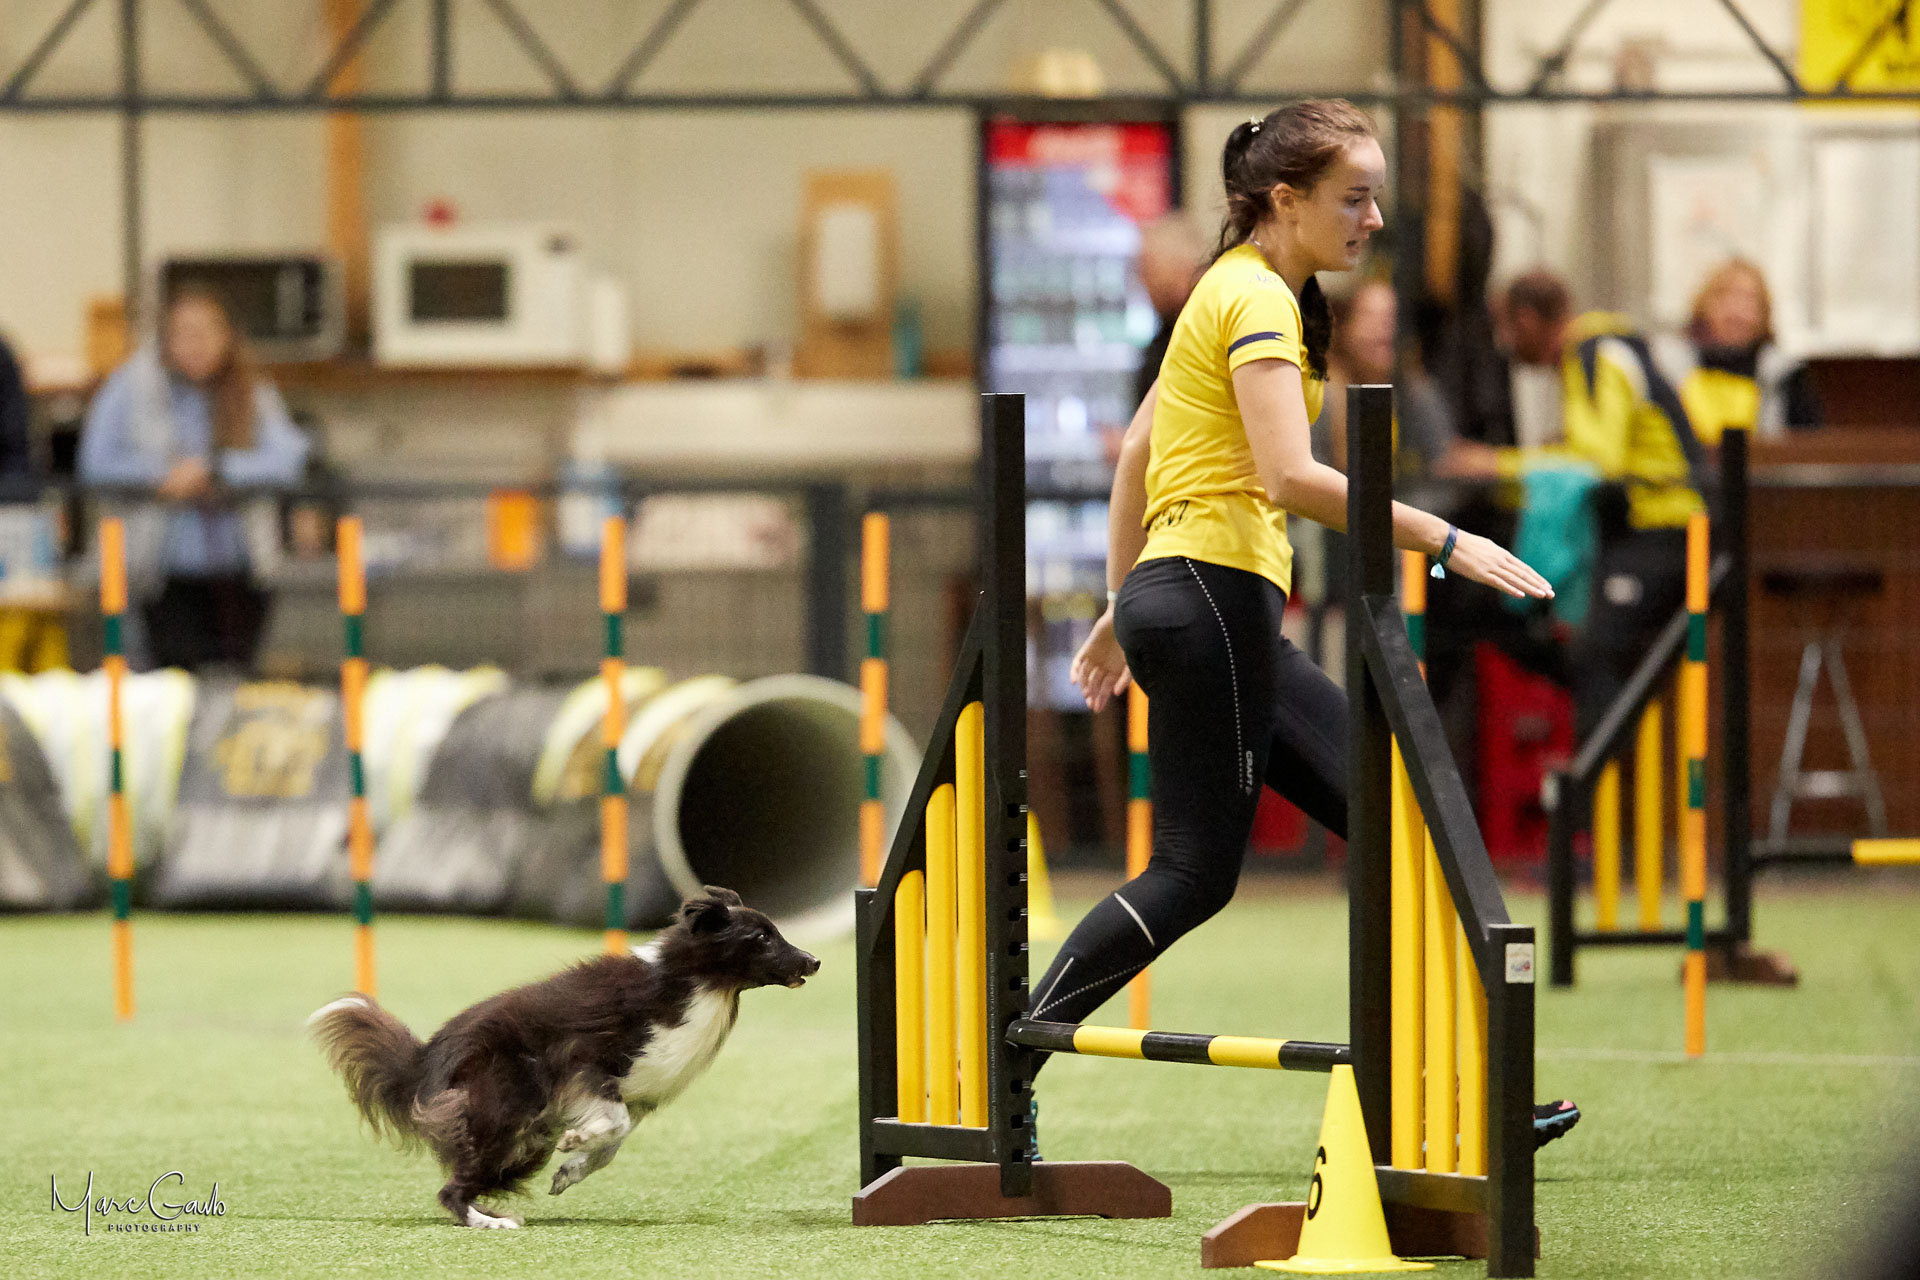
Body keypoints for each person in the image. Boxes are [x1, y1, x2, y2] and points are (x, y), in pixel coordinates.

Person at [1047, 100, 1578, 1148]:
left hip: (1189, 597)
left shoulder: (1234, 286)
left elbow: (1138, 453)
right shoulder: (1253, 297)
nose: (1373, 219)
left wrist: (1119, 604)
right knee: (1207, 870)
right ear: (1285, 200)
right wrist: (1442, 537)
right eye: (1355, 198)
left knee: (1393, 820)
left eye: (1374, 197)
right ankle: (1013, 1044)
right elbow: (1290, 475)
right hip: (1211, 596)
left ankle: (1465, 1103)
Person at [80, 287, 309, 672]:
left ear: (227, 337)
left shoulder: (251, 388)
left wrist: (218, 470)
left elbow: (289, 458)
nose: (196, 344)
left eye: (207, 332)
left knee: (233, 681)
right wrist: (162, 477)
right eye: (184, 333)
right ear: (165, 338)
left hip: (241, 575)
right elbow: (96, 463)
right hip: (157, 576)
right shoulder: (132, 386)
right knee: (169, 685)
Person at [1653, 258, 1820, 443]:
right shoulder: (1666, 368)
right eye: (1726, 298)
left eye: (1749, 301)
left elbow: (1809, 445)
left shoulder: (1784, 375)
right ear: (1705, 304)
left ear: (1764, 313)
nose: (1737, 312)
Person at [1131, 212, 1207, 411]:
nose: (1143, 281)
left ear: (1180, 265)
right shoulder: (1165, 334)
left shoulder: (1212, 325)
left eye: (1148, 269)